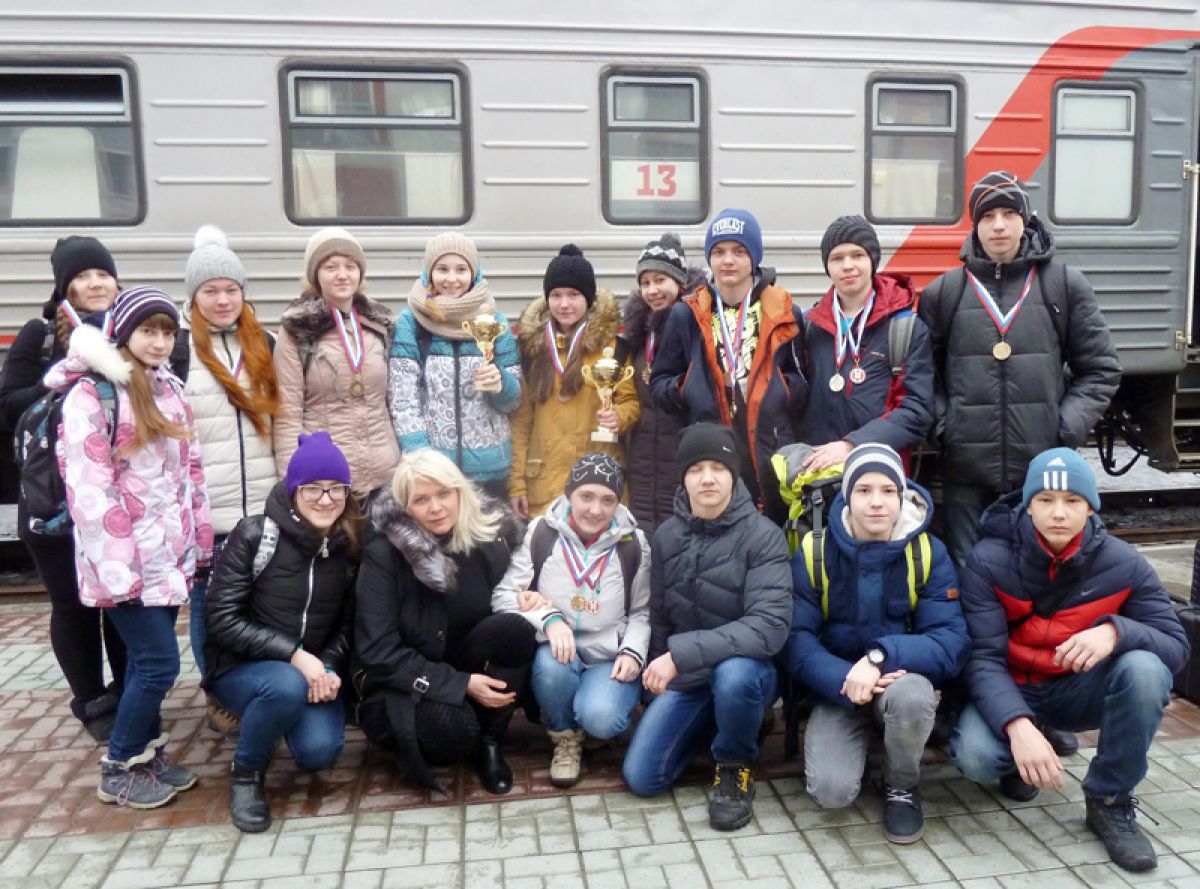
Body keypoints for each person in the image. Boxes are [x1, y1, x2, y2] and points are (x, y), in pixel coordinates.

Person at [950, 448, 1188, 873]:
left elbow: (1176, 646)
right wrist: (1018, 727)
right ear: (1028, 505)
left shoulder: (1124, 563)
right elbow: (982, 658)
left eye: (1072, 500)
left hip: (1077, 688)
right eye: (1045, 500)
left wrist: (1116, 631)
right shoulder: (988, 560)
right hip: (1013, 687)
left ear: (1091, 507)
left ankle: (1109, 800)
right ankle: (1024, 752)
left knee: (1147, 670)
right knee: (976, 758)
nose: (1058, 512)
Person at [51, 286, 212, 809]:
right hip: (125, 565)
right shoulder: (90, 396)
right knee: (159, 664)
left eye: (167, 332)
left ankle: (146, 754)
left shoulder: (169, 388)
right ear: (122, 332)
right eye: (148, 331)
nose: (160, 342)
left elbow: (189, 474)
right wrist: (120, 571)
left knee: (147, 665)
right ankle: (118, 766)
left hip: (166, 558)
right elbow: (91, 492)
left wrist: (198, 542)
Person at [917, 171, 1121, 567]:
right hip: (966, 472)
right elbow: (924, 377)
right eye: (987, 216)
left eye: (1009, 214)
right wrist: (946, 428)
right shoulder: (945, 292)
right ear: (975, 225)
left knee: (1038, 576)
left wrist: (1061, 429)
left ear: (1024, 220)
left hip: (1041, 472)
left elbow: (1101, 369)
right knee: (969, 573)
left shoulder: (1063, 285)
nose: (998, 225)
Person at [787, 443, 968, 844]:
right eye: (864, 490)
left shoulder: (927, 552)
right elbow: (796, 640)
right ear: (848, 496)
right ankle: (874, 743)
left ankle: (901, 784)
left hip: (900, 682)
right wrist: (844, 678)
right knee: (831, 793)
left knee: (913, 698)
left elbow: (950, 641)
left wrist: (880, 657)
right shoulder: (814, 552)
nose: (876, 502)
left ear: (901, 496)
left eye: (888, 491)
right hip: (838, 690)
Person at [622, 423, 791, 831]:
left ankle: (734, 765)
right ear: (683, 477)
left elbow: (767, 627)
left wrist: (678, 656)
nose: (708, 478)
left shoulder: (763, 536)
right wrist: (655, 677)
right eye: (696, 469)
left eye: (718, 467)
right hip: (691, 678)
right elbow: (660, 616)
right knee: (644, 777)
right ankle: (725, 723)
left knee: (734, 677)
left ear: (734, 474)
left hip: (748, 671)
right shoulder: (666, 536)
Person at [0, 236, 127, 740]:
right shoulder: (40, 335)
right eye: (82, 276)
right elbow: (9, 405)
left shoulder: (132, 325)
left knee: (121, 597)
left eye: (103, 274)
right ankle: (93, 702)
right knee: (72, 604)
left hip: (120, 490)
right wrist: (62, 377)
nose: (95, 283)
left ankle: (130, 693)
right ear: (64, 287)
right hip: (53, 496)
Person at [353, 449, 536, 794]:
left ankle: (490, 741)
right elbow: (378, 652)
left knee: (515, 629)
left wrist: (531, 597)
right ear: (404, 506)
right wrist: (459, 684)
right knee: (451, 734)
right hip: (405, 682)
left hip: (460, 658)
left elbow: (515, 589)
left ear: (459, 493)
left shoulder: (486, 534)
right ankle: (440, 735)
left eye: (443, 494)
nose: (436, 507)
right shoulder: (384, 555)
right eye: (421, 500)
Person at [204, 431, 358, 833]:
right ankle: (246, 774)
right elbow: (221, 619)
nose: (325, 499)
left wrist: (327, 667)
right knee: (285, 687)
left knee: (318, 752)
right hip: (242, 668)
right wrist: (294, 655)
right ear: (293, 491)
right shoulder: (255, 535)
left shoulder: (346, 546)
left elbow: (347, 623)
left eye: (336, 488)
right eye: (312, 489)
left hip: (310, 671)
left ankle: (273, 720)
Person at [492, 453, 650, 787]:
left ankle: (590, 725)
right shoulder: (541, 533)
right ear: (569, 494)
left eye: (608, 500)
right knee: (552, 668)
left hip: (608, 654)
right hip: (556, 650)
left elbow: (642, 611)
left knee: (602, 719)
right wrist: (548, 619)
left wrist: (633, 651)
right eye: (586, 496)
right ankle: (565, 737)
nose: (596, 509)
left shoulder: (633, 542)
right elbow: (503, 596)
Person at [650, 209, 804, 518]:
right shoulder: (686, 313)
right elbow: (659, 382)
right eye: (719, 252)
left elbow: (801, 378)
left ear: (754, 257)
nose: (728, 260)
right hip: (711, 446)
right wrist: (688, 389)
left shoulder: (785, 311)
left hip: (769, 446)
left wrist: (783, 390)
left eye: (739, 251)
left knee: (771, 529)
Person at [180, 225, 280, 694]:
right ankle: (216, 690)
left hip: (262, 502)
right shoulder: (178, 350)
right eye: (210, 291)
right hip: (208, 508)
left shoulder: (266, 344)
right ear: (194, 296)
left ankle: (253, 682)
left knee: (261, 600)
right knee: (208, 603)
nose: (223, 300)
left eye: (231, 289)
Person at [389, 232, 521, 501]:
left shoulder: (494, 320)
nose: (451, 278)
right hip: (435, 470)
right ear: (429, 273)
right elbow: (403, 399)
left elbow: (514, 401)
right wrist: (422, 458)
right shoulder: (412, 322)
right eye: (442, 269)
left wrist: (501, 384)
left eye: (461, 269)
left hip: (489, 470)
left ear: (474, 273)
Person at [509, 244, 639, 519]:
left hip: (598, 481)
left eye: (573, 295)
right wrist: (516, 483)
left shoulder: (613, 349)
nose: (564, 304)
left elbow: (630, 402)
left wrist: (618, 416)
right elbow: (521, 422)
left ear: (588, 299)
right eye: (556, 295)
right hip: (545, 483)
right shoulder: (533, 350)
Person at [798, 217, 934, 471]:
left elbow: (916, 409)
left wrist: (852, 445)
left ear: (872, 260)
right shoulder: (809, 326)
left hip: (878, 473)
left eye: (857, 255)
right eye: (837, 258)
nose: (847, 266)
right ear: (827, 266)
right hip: (817, 470)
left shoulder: (905, 328)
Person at [274, 227, 399, 499]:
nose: (342, 275)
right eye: (331, 267)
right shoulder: (298, 330)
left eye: (350, 266)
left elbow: (393, 402)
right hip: (327, 481)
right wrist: (292, 480)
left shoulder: (380, 326)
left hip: (385, 476)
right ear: (315, 275)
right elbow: (288, 412)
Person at [620, 233, 702, 536]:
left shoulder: (695, 325)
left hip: (681, 453)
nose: (652, 290)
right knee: (643, 533)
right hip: (642, 458)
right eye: (645, 283)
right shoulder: (637, 333)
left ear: (680, 282)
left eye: (660, 280)